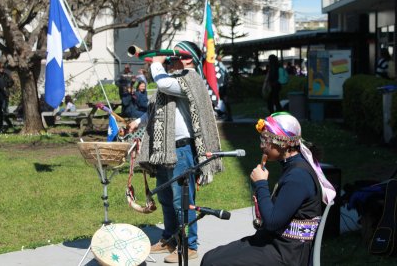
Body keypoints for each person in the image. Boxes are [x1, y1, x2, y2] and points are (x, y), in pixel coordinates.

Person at [128, 41, 223, 263]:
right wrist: (138, 122)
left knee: (183, 200)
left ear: (188, 58)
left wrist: (157, 63)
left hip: (182, 150)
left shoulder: (191, 78)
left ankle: (189, 245)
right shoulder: (173, 78)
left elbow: (163, 85)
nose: (170, 59)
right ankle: (170, 239)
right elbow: (158, 108)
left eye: (176, 54)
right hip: (165, 149)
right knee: (166, 198)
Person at [201, 112, 336, 266]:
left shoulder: (298, 176)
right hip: (275, 242)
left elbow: (272, 223)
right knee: (210, 258)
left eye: (266, 141)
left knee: (214, 264)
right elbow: (275, 217)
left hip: (287, 253)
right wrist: (261, 203)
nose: (261, 146)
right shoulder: (292, 166)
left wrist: (261, 185)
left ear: (283, 143)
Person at [0, 62, 14, 132]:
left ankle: (2, 127)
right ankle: (5, 125)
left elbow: (11, 82)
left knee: (2, 111)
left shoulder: (3, 74)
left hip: (3, 95)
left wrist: (6, 86)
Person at [215, 54, 233, 121]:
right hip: (222, 85)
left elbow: (226, 75)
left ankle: (227, 115)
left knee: (224, 100)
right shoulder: (221, 65)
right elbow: (227, 74)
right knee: (224, 100)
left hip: (221, 86)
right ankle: (226, 115)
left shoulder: (218, 65)